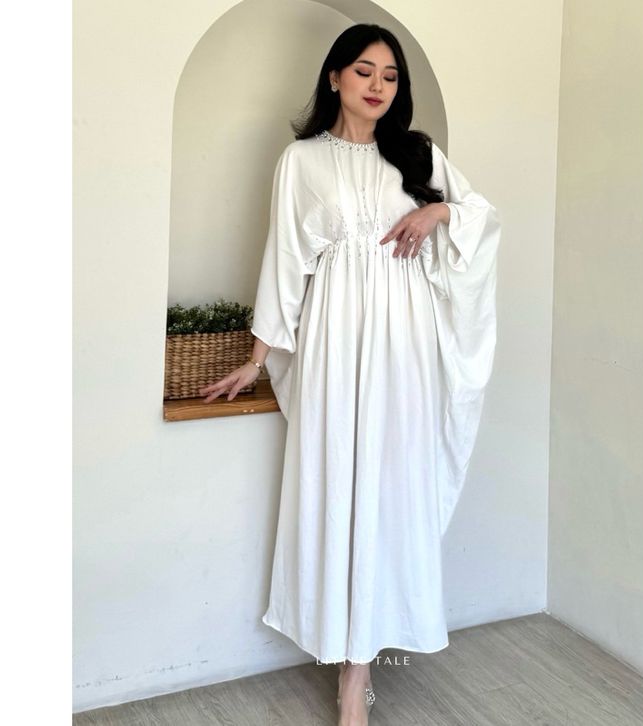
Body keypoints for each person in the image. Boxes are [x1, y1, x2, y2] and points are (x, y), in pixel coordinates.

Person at [199, 23, 501, 726]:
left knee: (391, 486)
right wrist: (256, 359)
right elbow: (284, 262)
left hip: (406, 346)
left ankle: (361, 666)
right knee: (339, 481)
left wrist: (438, 209)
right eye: (363, 70)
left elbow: (482, 219)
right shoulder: (300, 161)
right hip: (335, 341)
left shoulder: (418, 154)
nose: (377, 85)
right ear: (334, 77)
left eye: (390, 76)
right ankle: (348, 669)